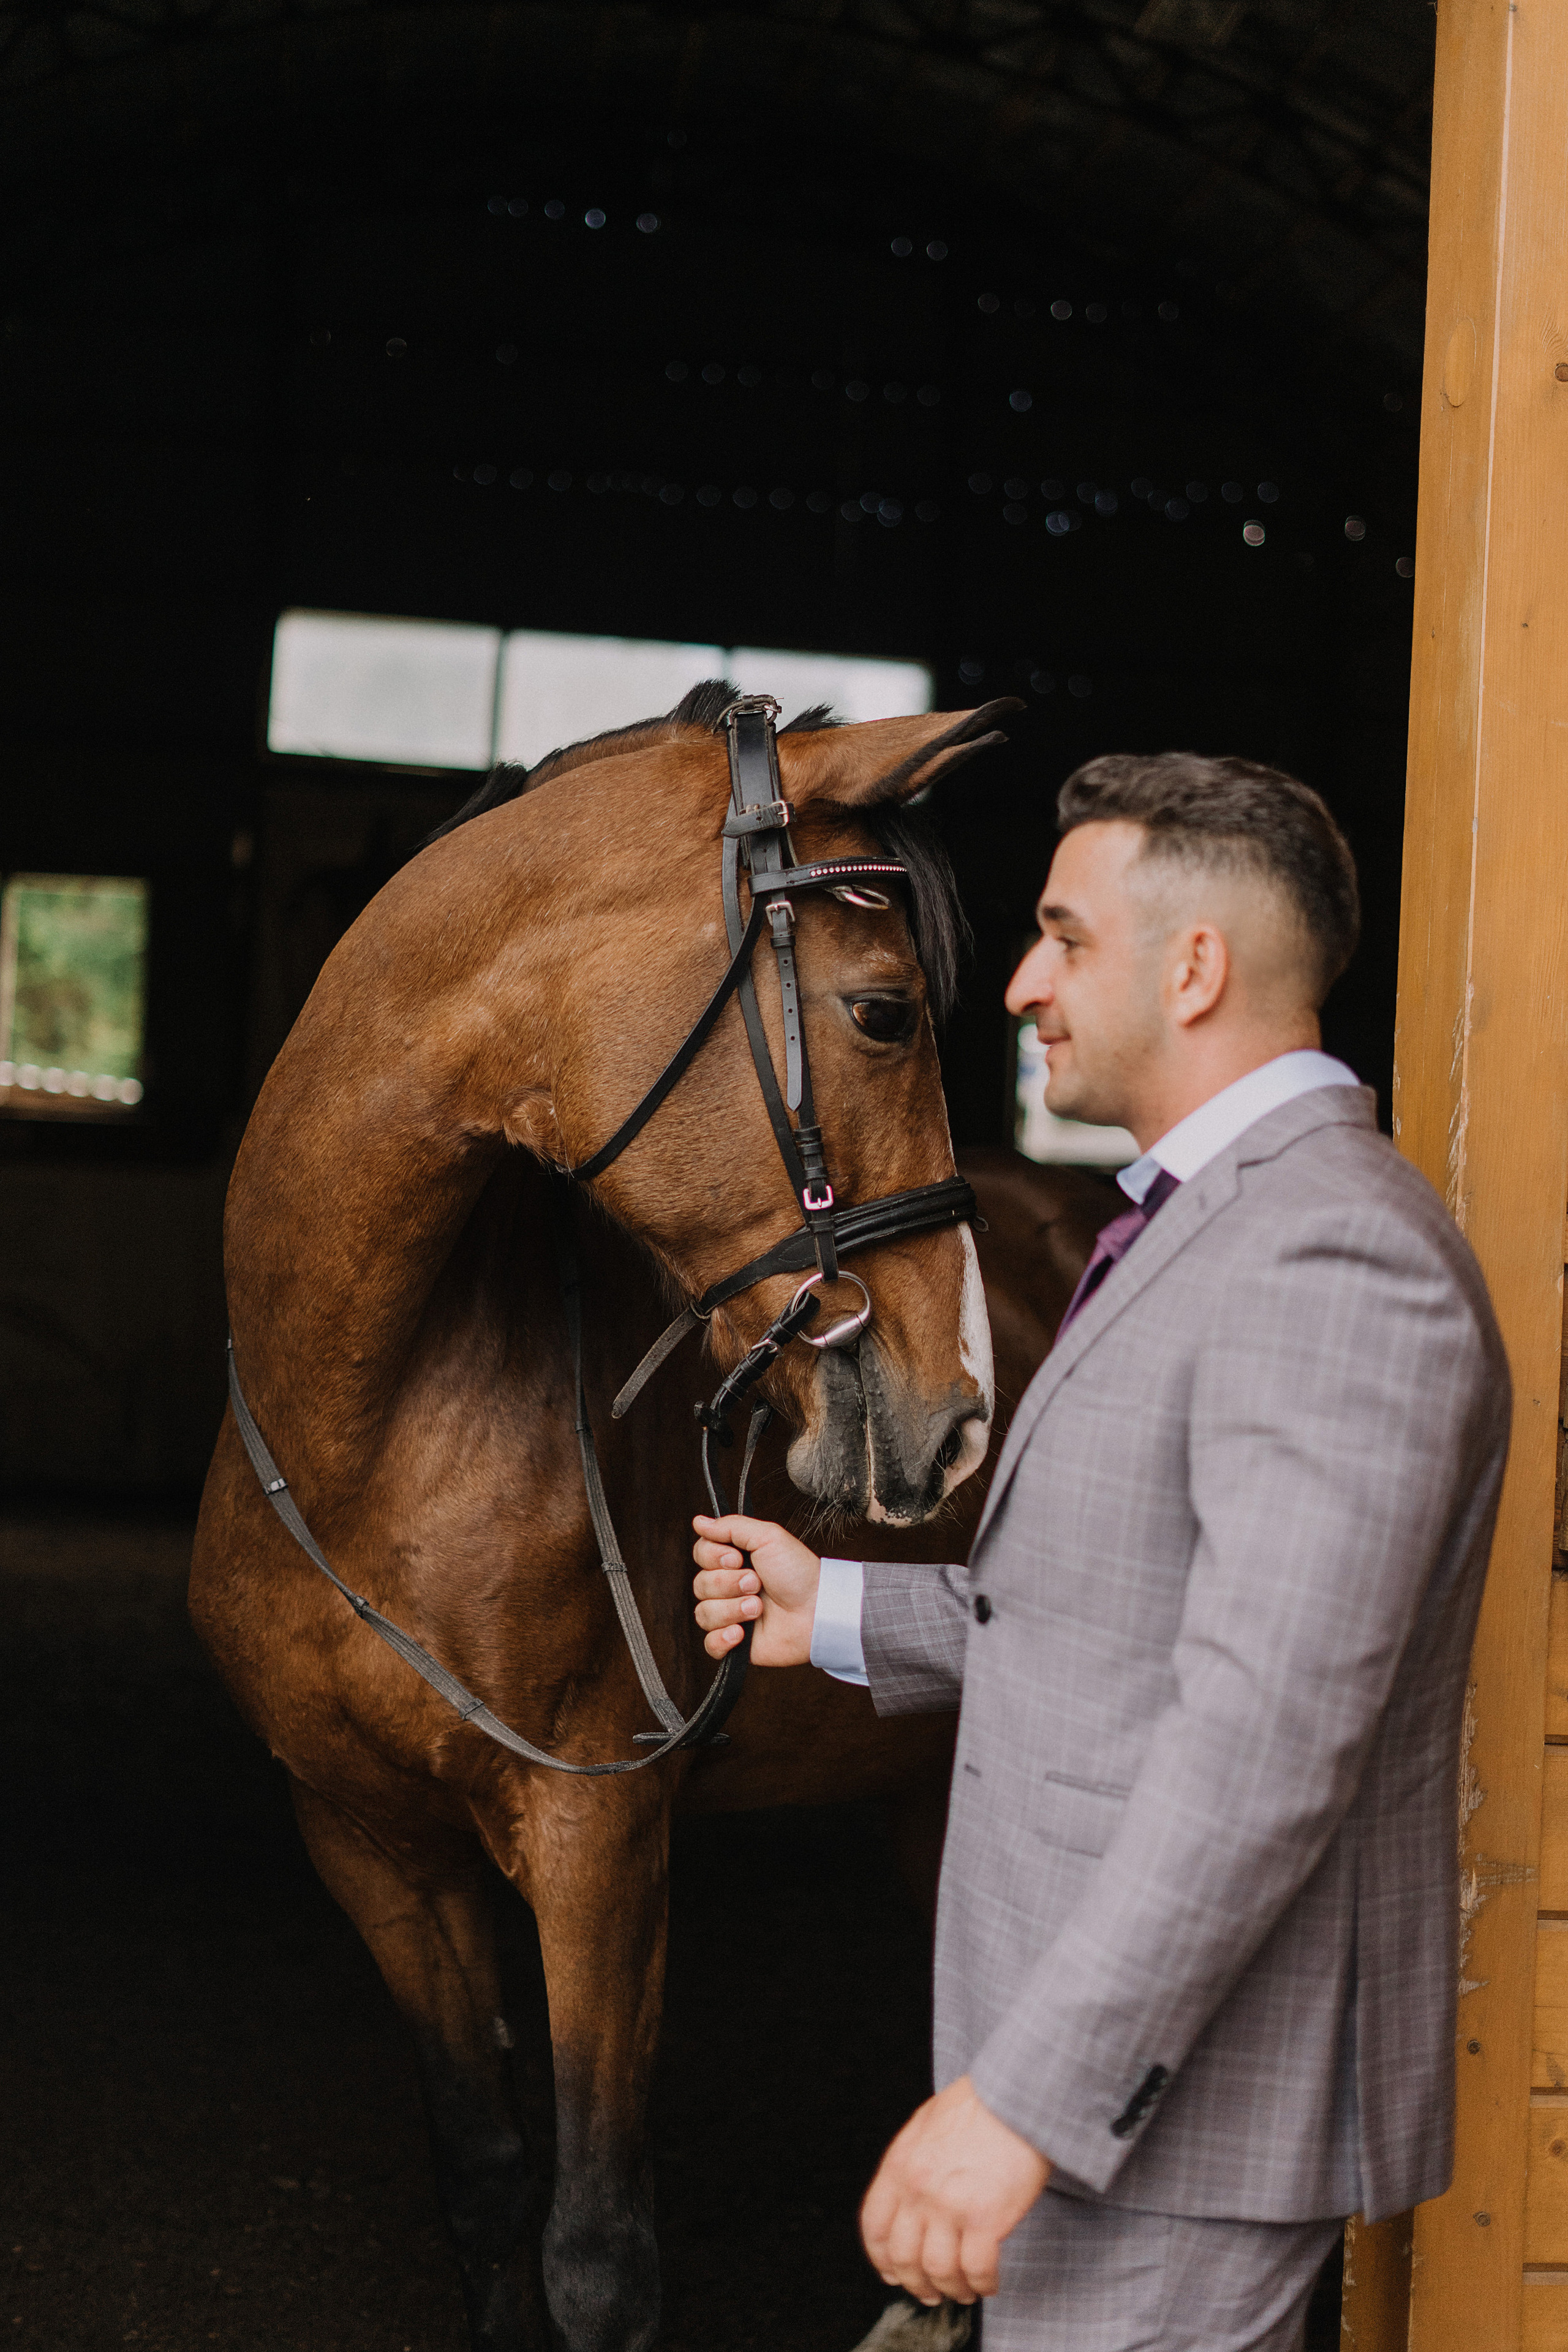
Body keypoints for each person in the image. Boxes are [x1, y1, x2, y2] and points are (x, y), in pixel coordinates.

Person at [690, 752, 1510, 2352]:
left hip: (1176, 2125)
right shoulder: (1212, 1219)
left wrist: (1029, 2104)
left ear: (1193, 967)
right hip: (1116, 2106)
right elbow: (1141, 1625)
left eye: (1064, 936)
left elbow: (1262, 1740)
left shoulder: (1333, 1254)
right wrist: (846, 1607)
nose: (1021, 986)